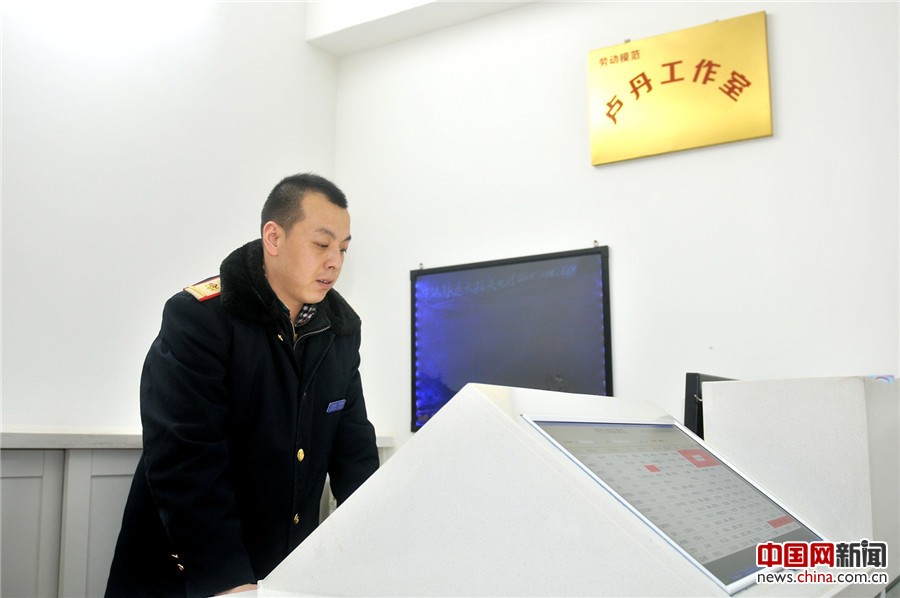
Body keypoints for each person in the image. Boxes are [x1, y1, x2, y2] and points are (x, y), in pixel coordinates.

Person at [106, 173, 380, 597]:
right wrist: (230, 581)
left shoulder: (340, 331)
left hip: (281, 573)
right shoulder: (201, 318)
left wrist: (383, 551)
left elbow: (355, 453)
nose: (334, 262)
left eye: (342, 249)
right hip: (190, 575)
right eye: (321, 244)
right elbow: (186, 460)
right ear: (274, 237)